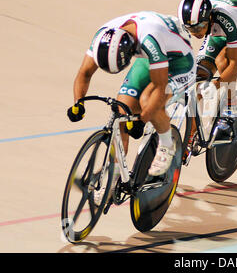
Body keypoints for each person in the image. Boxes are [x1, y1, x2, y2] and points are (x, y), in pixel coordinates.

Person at [67, 11, 195, 203]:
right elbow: (84, 73)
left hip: (179, 61)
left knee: (148, 100)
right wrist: (78, 103)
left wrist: (142, 119)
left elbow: (160, 89)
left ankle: (167, 144)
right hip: (149, 57)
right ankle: (114, 176)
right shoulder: (102, 38)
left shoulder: (150, 39)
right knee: (121, 111)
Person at [178, 0, 237, 144]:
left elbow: (235, 64)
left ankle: (230, 110)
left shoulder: (225, 19)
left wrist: (215, 84)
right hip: (217, 31)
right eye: (191, 29)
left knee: (223, 61)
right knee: (197, 80)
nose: (196, 33)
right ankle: (191, 136)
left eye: (199, 27)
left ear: (209, 18)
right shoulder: (193, 21)